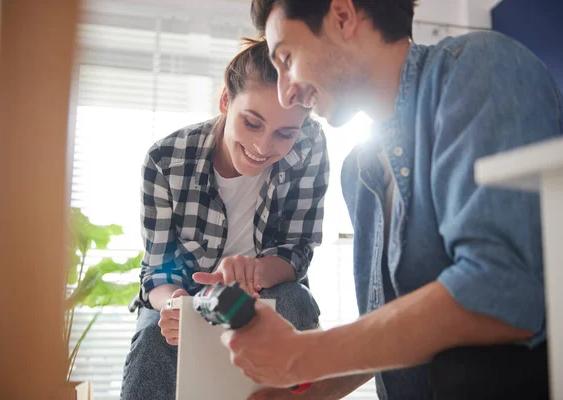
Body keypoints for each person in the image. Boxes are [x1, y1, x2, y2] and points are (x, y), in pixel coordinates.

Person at [222, 1, 563, 399]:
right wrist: (306, 395)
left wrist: (302, 354)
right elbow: (396, 331)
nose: (287, 91)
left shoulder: (481, 68)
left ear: (343, 16)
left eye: (287, 58)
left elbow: (504, 291)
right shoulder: (358, 172)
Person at [119, 38, 330, 400]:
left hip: (263, 289)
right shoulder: (166, 161)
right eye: (252, 123)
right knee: (154, 340)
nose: (264, 147)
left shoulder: (309, 145)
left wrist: (254, 271)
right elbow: (157, 273)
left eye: (285, 133)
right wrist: (176, 306)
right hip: (187, 295)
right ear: (225, 101)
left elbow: (298, 250)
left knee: (294, 302)